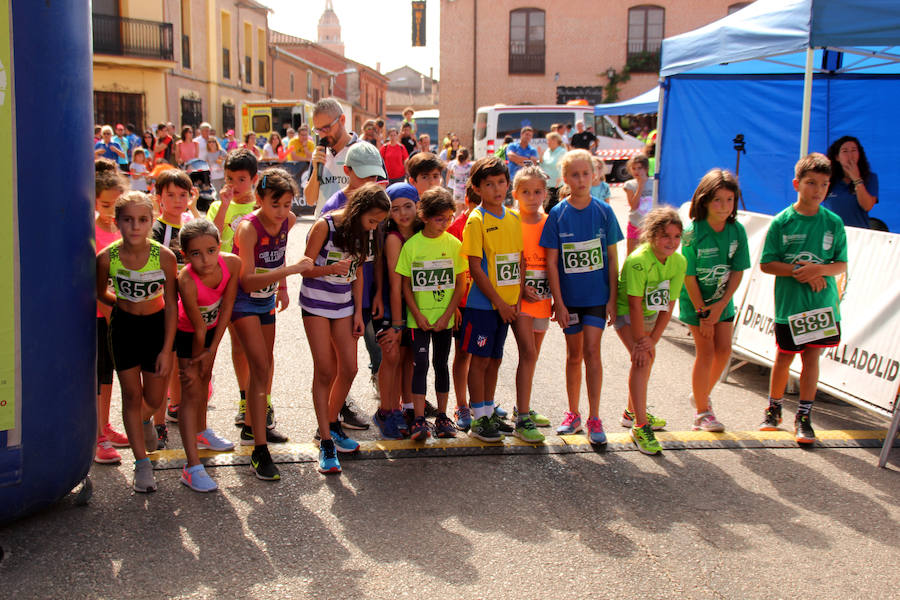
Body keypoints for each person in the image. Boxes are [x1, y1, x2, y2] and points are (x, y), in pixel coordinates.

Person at [232, 168, 315, 480]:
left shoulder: (289, 221)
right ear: (259, 200)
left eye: (287, 204)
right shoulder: (248, 229)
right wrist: (290, 273)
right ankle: (259, 449)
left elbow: (277, 256)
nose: (282, 212)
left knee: (266, 365)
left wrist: (280, 287)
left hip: (266, 299)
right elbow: (248, 279)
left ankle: (254, 429)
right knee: (260, 368)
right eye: (274, 204)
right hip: (243, 301)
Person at [300, 182, 389, 473]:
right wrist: (329, 269)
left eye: (379, 222)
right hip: (315, 305)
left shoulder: (366, 233)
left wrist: (358, 313)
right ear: (359, 210)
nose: (375, 226)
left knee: (349, 368)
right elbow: (305, 267)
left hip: (343, 306)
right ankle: (326, 440)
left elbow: (359, 272)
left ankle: (329, 424)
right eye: (372, 220)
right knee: (325, 369)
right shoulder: (324, 226)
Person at [759, 153, 847, 445]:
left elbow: (841, 265)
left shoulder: (833, 223)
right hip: (791, 307)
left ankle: (804, 417)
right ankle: (774, 409)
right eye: (811, 183)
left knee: (812, 358)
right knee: (784, 356)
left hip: (822, 306)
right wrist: (800, 271)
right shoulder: (782, 222)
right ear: (797, 183)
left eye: (824, 184)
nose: (817, 189)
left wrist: (819, 270)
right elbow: (767, 264)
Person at [96, 191, 178, 492]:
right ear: (117, 222)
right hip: (124, 328)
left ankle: (144, 422)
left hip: (157, 329)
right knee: (131, 395)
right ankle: (142, 464)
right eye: (128, 220)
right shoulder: (107, 257)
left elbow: (171, 304)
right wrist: (122, 303)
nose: (135, 226)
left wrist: (168, 349)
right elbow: (100, 292)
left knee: (154, 399)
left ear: (151, 221)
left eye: (142, 220)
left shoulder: (165, 257)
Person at [541, 151, 623, 444]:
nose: (580, 180)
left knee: (592, 352)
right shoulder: (557, 214)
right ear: (565, 178)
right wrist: (558, 303)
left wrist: (613, 298)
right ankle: (573, 414)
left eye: (585, 174)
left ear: (594, 175)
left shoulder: (604, 211)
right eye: (574, 175)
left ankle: (595, 417)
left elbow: (613, 258)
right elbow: (551, 262)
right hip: (570, 300)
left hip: (597, 298)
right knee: (574, 355)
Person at [206, 149, 279, 432]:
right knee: (239, 346)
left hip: (259, 287)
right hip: (227, 287)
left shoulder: (260, 209)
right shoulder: (217, 206)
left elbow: (277, 244)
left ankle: (266, 401)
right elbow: (209, 237)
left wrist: (281, 285)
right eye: (229, 178)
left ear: (254, 179)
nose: (234, 185)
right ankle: (245, 400)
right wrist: (223, 205)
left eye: (241, 179)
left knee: (264, 350)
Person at [320, 141, 389, 430]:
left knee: (368, 351)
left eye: (376, 177)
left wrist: (379, 292)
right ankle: (339, 408)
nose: (372, 183)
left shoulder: (378, 202)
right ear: (347, 171)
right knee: (341, 359)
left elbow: (379, 252)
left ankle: (365, 403)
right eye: (365, 176)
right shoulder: (333, 207)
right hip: (340, 294)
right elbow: (322, 257)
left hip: (368, 289)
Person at [679, 169, 751, 432]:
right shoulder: (692, 232)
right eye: (717, 200)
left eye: (729, 200)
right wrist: (703, 313)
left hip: (722, 302)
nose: (724, 206)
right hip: (696, 302)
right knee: (706, 352)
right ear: (705, 200)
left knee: (724, 352)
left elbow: (738, 270)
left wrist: (720, 305)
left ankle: (700, 395)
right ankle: (702, 412)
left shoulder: (737, 231)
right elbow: (688, 277)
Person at [460, 156, 524, 442]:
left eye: (501, 182)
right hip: (484, 306)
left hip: (508, 307)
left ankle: (488, 411)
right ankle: (479, 418)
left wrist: (516, 298)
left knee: (495, 360)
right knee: (481, 361)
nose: (497, 189)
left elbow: (518, 261)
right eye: (489, 184)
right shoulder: (476, 220)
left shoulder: (513, 217)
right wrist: (499, 302)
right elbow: (475, 267)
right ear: (477, 188)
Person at [396, 187, 467, 440]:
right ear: (424, 216)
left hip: (444, 320)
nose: (446, 224)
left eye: (449, 218)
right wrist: (417, 315)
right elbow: (405, 285)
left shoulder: (455, 244)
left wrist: (448, 314)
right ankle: (418, 419)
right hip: (419, 321)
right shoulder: (413, 246)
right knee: (421, 365)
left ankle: (443, 416)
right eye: (440, 219)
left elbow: (461, 283)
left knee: (441, 365)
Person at [175, 220, 242, 492]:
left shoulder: (232, 264)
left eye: (211, 250)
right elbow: (197, 325)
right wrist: (200, 354)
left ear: (220, 246)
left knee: (204, 385)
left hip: (212, 333)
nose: (205, 260)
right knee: (191, 392)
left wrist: (212, 350)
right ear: (185, 255)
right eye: (196, 254)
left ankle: (201, 432)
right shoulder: (186, 280)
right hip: (188, 335)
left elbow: (227, 307)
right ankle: (191, 467)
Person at [614, 207, 685, 455]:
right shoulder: (638, 261)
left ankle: (632, 412)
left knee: (647, 356)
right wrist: (641, 342)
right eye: (666, 236)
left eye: (677, 237)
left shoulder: (679, 261)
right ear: (653, 235)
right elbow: (633, 303)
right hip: (626, 313)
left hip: (651, 315)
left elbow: (669, 304)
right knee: (642, 360)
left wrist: (653, 340)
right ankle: (640, 425)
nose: (672, 242)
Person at [151, 169, 199, 446]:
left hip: (188, 310)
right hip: (162, 310)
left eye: (183, 194)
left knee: (185, 364)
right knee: (164, 368)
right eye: (171, 195)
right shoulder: (155, 229)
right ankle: (158, 424)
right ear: (160, 198)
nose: (178, 200)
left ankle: (176, 409)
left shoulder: (191, 228)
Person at [509, 166, 556, 444]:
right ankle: (522, 418)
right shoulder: (511, 220)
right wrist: (520, 286)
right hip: (519, 299)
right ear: (515, 194)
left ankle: (521, 405)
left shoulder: (550, 221)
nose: (532, 197)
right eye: (525, 192)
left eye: (537, 191)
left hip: (543, 299)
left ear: (545, 194)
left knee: (533, 355)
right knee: (528, 353)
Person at [372, 183, 420, 440]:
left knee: (406, 359)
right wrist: (398, 324)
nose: (402, 214)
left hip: (413, 306)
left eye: (408, 207)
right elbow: (395, 285)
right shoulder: (393, 238)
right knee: (390, 357)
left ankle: (401, 408)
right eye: (395, 209)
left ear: (418, 206)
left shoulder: (422, 234)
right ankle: (385, 411)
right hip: (393, 308)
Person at [93, 160, 129, 465]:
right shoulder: (88, 228)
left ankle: (104, 427)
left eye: (117, 205)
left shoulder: (121, 228)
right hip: (95, 313)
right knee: (97, 374)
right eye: (106, 205)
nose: (111, 211)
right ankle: (96, 437)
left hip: (117, 312)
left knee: (109, 376)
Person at [447, 182, 478, 431]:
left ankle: (481, 402)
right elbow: (449, 271)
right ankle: (461, 404)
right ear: (466, 200)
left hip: (487, 301)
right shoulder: (455, 228)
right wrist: (455, 304)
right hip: (464, 302)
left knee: (485, 356)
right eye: (476, 202)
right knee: (463, 353)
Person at [304, 98, 361, 217]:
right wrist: (316, 170)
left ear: (342, 120)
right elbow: (310, 200)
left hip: (352, 227)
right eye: (318, 130)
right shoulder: (319, 153)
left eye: (327, 128)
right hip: (322, 229)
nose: (323, 135)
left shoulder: (363, 151)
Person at [824, 135, 879, 229]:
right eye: (845, 151)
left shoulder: (870, 178)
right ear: (837, 157)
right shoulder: (828, 178)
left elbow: (867, 206)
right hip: (833, 233)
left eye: (854, 150)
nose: (850, 155)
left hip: (859, 235)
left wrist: (856, 179)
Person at [623, 153, 655, 255]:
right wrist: (641, 186)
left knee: (650, 254)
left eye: (639, 168)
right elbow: (634, 206)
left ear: (646, 168)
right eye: (634, 168)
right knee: (632, 254)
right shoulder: (630, 185)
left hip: (651, 225)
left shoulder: (655, 182)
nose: (637, 171)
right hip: (635, 224)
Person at [540, 132, 566, 211]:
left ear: (555, 140)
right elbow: (542, 165)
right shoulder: (547, 151)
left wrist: (561, 178)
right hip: (547, 185)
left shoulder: (562, 151)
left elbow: (564, 166)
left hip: (557, 186)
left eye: (549, 140)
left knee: (556, 209)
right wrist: (540, 158)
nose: (547, 143)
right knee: (546, 208)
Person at [447, 147, 472, 211]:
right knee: (466, 210)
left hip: (457, 191)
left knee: (458, 211)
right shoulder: (469, 167)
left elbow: (451, 173)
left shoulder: (455, 166)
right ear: (467, 156)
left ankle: (456, 221)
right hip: (466, 191)